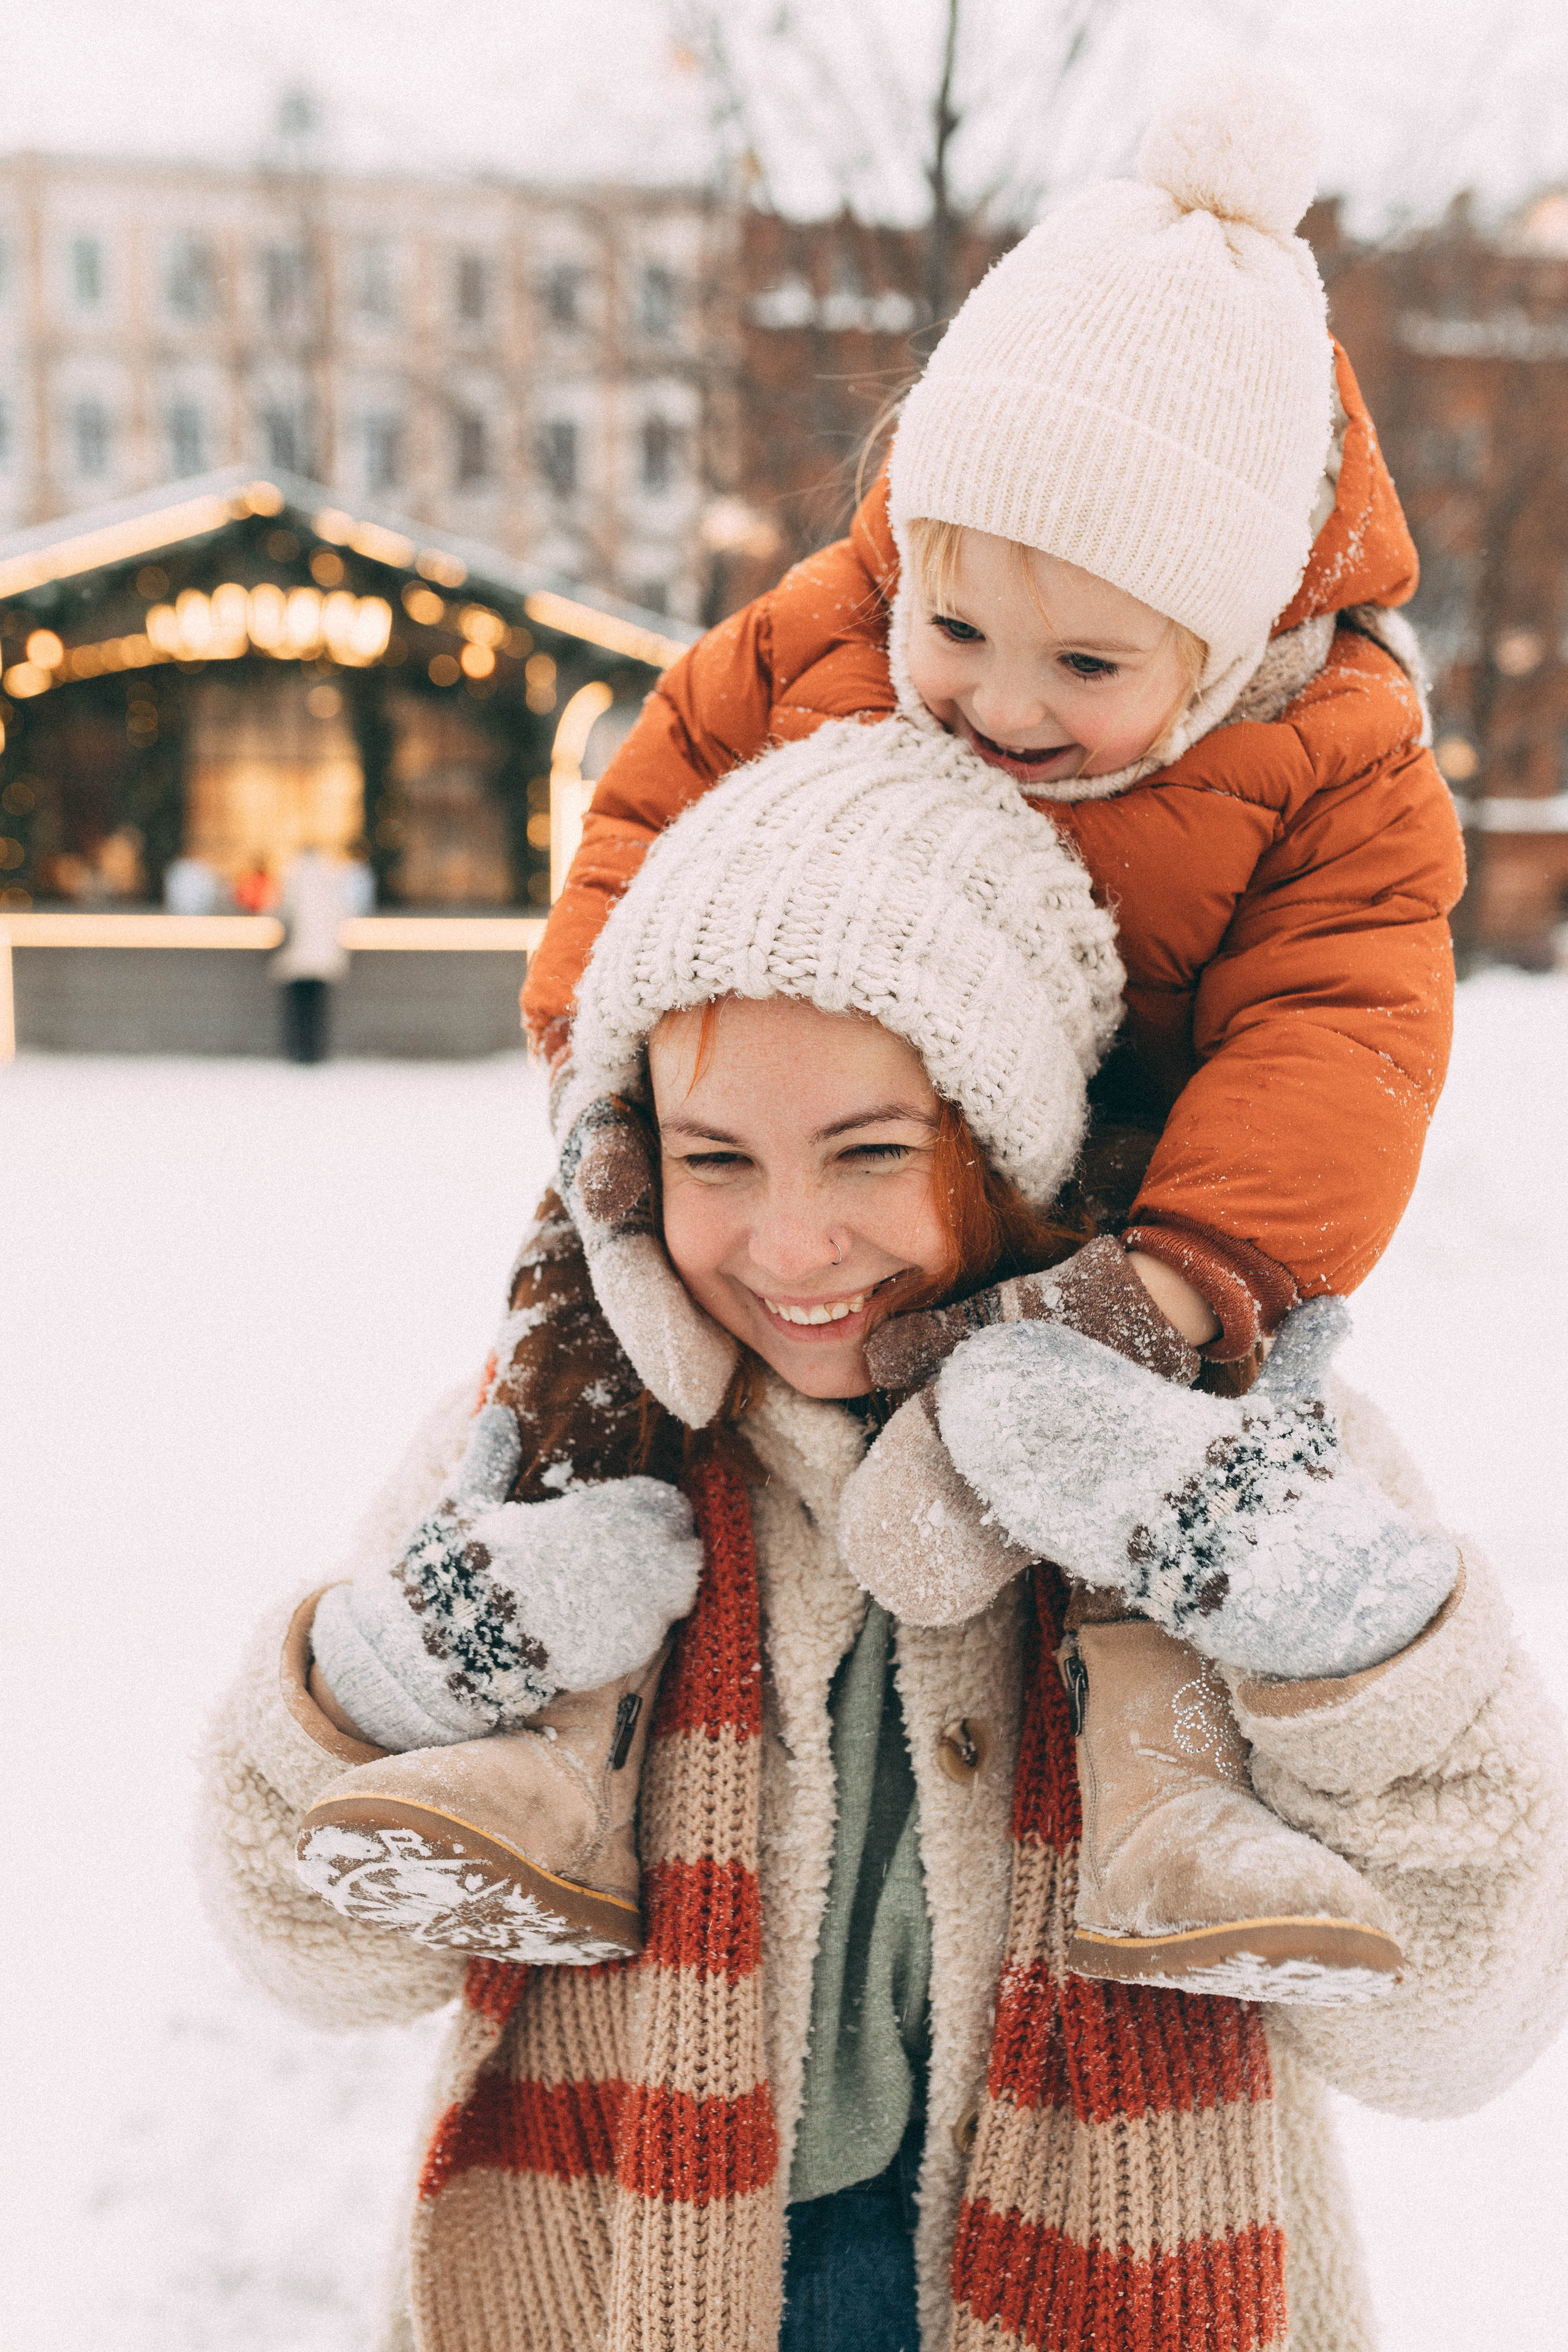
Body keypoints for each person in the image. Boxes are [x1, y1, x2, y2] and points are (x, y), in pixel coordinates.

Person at [200, 725, 1568, 2352]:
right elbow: (309, 1947)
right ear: (636, 1163)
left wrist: (1336, 1629)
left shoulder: (1230, 1451)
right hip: (627, 2271)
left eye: (870, 1153)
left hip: (1115, 2263)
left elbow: (1457, 2028)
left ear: (1003, 1145)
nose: (792, 1244)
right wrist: (395, 1669)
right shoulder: (556, 1444)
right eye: (716, 1161)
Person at [428, 66, 1469, 1989]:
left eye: (1084, 664)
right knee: (591, 1347)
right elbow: (643, 821)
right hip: (788, 1126)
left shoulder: (1328, 753)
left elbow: (1343, 1028)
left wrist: (1181, 1273)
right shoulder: (816, 628)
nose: (992, 698)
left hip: (1128, 1202)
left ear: (1225, 631)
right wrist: (609, 1081)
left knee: (1143, 1448)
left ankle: (1164, 1797)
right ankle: (534, 1748)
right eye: (954, 625)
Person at [272, 844, 352, 1063]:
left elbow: (282, 914)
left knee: (298, 1009)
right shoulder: (330, 881)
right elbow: (342, 915)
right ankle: (316, 1051)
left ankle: (298, 1051)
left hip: (298, 958)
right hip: (323, 960)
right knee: (317, 1008)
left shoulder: (294, 879)